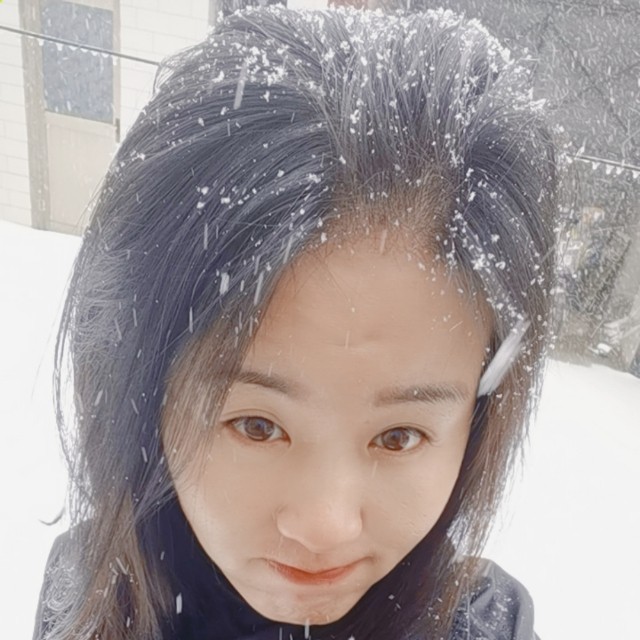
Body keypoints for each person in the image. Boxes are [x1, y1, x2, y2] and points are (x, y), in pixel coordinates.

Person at [33, 6, 557, 640]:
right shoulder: (90, 590)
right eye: (257, 426)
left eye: (399, 437)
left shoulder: (485, 629)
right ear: (144, 395)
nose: (324, 526)